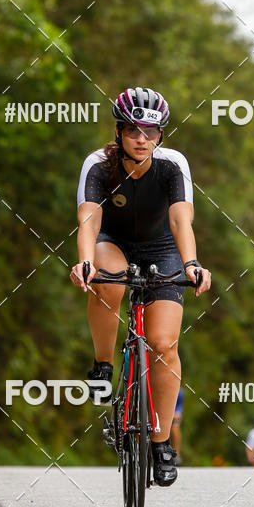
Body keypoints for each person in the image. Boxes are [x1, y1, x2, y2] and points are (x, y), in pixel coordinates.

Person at [70, 86, 211, 486]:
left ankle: (161, 442)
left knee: (164, 345)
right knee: (108, 278)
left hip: (162, 248)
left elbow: (181, 221)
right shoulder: (98, 165)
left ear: (161, 134)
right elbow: (89, 220)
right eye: (134, 130)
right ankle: (102, 364)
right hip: (112, 243)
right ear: (119, 131)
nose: (142, 138)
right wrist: (84, 260)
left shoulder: (172, 165)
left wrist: (192, 263)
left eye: (151, 131)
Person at [170, 387, 184, 466]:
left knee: (174, 427)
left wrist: (177, 413)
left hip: (176, 396)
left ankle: (176, 455)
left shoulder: (179, 392)